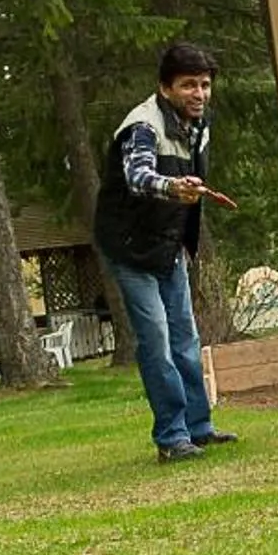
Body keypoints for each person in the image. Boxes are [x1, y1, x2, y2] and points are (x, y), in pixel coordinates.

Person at [93, 40, 240, 464]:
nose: (199, 94)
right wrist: (172, 187)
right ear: (165, 87)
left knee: (185, 339)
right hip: (129, 246)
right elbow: (137, 176)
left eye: (205, 85)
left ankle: (199, 427)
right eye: (188, 85)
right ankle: (171, 436)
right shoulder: (143, 126)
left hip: (169, 246)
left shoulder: (200, 125)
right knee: (156, 340)